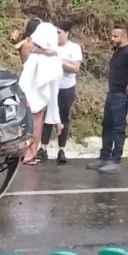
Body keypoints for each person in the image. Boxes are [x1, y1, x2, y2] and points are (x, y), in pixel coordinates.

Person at [87, 25, 128, 174]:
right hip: (112, 93)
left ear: (124, 37)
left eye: (115, 36)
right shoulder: (118, 51)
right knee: (107, 125)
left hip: (121, 95)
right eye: (112, 35)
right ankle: (104, 157)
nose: (112, 38)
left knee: (118, 127)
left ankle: (115, 161)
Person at [18, 21, 62, 165]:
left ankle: (24, 154)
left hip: (26, 93)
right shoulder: (47, 55)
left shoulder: (31, 49)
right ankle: (29, 155)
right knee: (35, 128)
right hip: (37, 97)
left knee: (25, 127)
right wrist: (50, 51)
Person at [39, 20, 83, 164]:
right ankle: (43, 148)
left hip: (66, 87)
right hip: (50, 86)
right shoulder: (50, 46)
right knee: (47, 116)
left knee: (63, 117)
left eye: (59, 32)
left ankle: (61, 150)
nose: (56, 35)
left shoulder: (74, 48)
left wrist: (58, 60)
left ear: (67, 33)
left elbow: (75, 68)